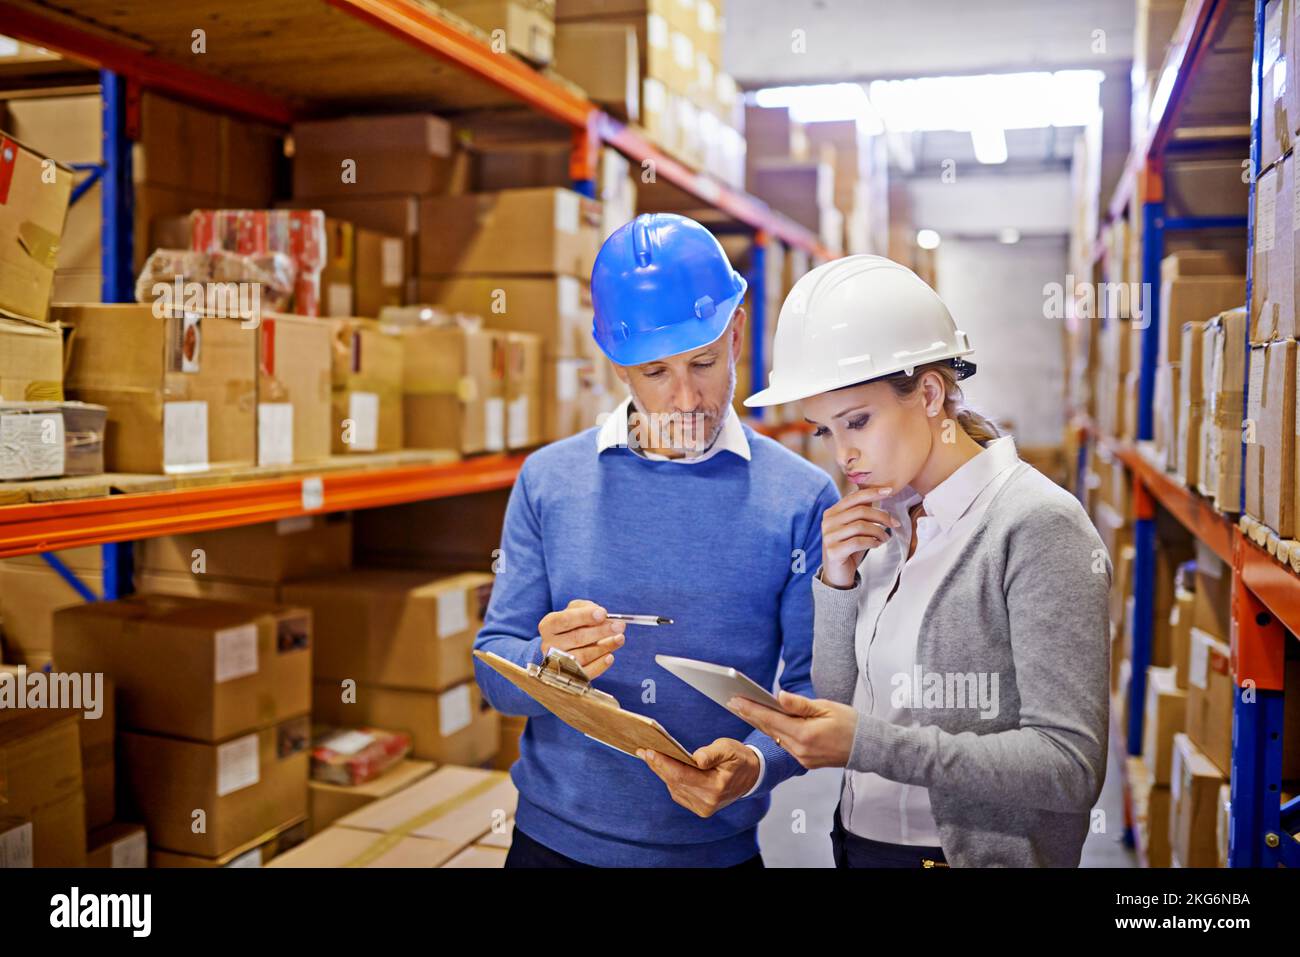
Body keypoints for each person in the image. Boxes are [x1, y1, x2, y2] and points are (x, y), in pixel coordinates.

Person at [473, 213, 840, 867]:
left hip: (712, 851)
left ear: (737, 332)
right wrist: (543, 660)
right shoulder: (549, 481)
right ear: (618, 367)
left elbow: (818, 698)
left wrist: (756, 765)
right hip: (551, 844)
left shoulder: (801, 499)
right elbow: (492, 671)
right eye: (654, 373)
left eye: (704, 360)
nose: (686, 397)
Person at [729, 254, 1110, 867]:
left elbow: (1068, 767)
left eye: (857, 420)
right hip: (858, 844)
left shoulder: (1037, 525)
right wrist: (837, 578)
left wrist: (871, 744)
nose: (844, 455)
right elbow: (841, 697)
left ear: (929, 392)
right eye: (825, 431)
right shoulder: (882, 517)